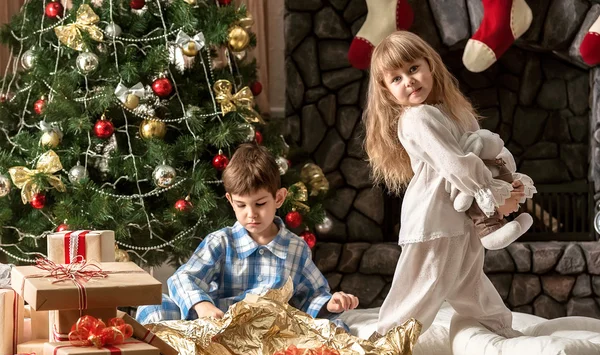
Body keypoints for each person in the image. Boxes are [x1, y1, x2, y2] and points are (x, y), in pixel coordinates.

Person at [363, 31, 529, 337]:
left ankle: (500, 332)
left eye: (413, 69)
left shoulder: (454, 111)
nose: (409, 81)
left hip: (461, 218)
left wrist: (507, 179)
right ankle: (382, 346)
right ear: (387, 92)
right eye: (396, 78)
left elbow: (482, 152)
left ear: (430, 66)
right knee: (420, 289)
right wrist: (493, 194)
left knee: (470, 282)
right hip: (434, 218)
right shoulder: (416, 118)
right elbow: (455, 164)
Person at [136, 143, 358, 326]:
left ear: (279, 198)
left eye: (260, 203)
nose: (251, 214)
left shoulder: (296, 248)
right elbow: (182, 279)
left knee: (336, 327)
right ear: (231, 201)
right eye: (241, 205)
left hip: (271, 334)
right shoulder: (221, 242)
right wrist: (202, 306)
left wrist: (330, 304)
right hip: (219, 331)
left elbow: (312, 296)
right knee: (154, 307)